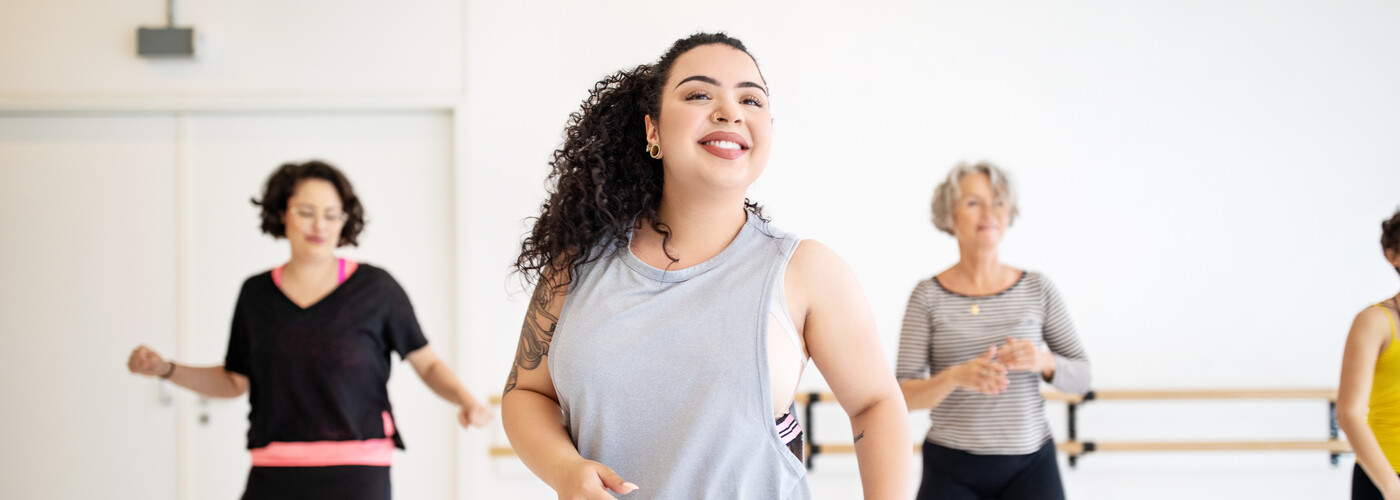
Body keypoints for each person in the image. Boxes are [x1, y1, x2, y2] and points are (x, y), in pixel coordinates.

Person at [501, 33, 911, 500]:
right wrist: (563, 469)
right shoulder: (574, 266)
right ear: (652, 130)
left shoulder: (807, 271)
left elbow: (876, 403)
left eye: (751, 99)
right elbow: (527, 393)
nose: (731, 112)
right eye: (699, 94)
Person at [127, 160, 492, 500]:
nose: (320, 225)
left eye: (332, 215)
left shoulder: (377, 290)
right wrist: (167, 370)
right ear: (282, 214)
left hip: (360, 473)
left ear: (344, 222)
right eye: (306, 212)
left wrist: (466, 399)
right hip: (274, 473)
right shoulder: (255, 294)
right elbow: (234, 380)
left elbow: (425, 362)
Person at [895, 161, 1091, 500]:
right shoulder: (927, 295)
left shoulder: (1038, 289)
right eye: (973, 202)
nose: (989, 212)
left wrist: (1044, 361)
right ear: (950, 215)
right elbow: (902, 396)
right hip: (950, 467)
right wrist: (955, 377)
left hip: (1031, 466)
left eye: (998, 202)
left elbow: (1082, 379)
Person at [1338, 208, 1400, 500]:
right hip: (1386, 477)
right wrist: (1391, 487)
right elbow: (1349, 412)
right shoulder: (1375, 321)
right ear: (1393, 256)